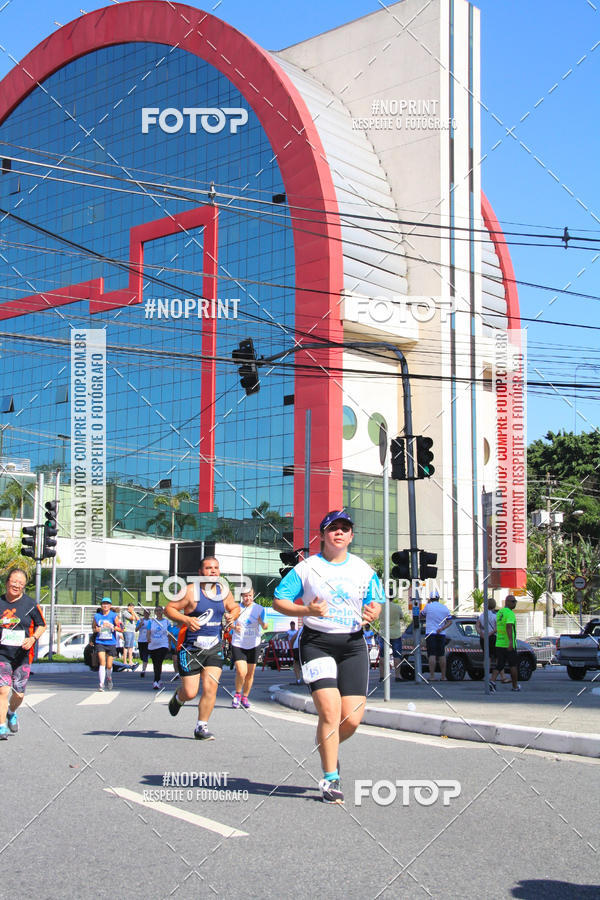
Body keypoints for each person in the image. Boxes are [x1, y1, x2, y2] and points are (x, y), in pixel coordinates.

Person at [273, 510, 383, 804]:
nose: (339, 532)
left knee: (352, 718)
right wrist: (307, 610)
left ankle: (328, 747)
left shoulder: (364, 569)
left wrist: (373, 613)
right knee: (330, 713)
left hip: (353, 645)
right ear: (322, 535)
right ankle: (330, 777)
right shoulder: (307, 568)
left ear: (351, 536)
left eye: (345, 528)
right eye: (333, 528)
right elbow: (279, 600)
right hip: (317, 643)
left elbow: (375, 604)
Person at [165, 556, 240, 740]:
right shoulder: (191, 592)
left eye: (216, 568)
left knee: (210, 687)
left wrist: (232, 615)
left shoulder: (224, 592)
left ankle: (201, 727)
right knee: (190, 692)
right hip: (191, 649)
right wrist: (186, 619)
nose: (213, 571)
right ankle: (179, 697)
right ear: (200, 573)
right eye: (208, 568)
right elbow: (169, 609)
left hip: (214, 648)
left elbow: (235, 607)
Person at [0, 568, 46, 739]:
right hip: (2, 654)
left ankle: (11, 712)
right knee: (3, 690)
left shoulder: (30, 604)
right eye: (14, 581)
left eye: (21, 583)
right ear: (7, 582)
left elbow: (42, 625)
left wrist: (33, 638)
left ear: (24, 586)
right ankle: (1, 726)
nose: (16, 585)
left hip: (22, 654)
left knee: (18, 693)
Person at [230, 584, 268, 709]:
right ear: (241, 596)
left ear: (253, 596)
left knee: (250, 674)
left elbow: (266, 626)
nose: (248, 598)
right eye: (245, 596)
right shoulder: (236, 608)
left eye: (250, 596)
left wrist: (261, 622)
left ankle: (245, 697)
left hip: (254, 644)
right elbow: (229, 623)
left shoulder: (259, 609)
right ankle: (237, 694)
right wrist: (235, 627)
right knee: (241, 672)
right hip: (238, 643)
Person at [475, 598, 508, 684]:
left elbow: (477, 626)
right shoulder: (495, 615)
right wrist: (490, 633)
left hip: (483, 638)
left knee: (487, 657)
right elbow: (497, 628)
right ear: (494, 605)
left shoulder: (482, 615)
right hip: (493, 638)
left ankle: (487, 675)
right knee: (498, 658)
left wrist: (481, 633)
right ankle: (502, 676)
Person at [490, 594, 520, 691]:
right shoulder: (510, 613)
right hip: (508, 644)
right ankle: (515, 686)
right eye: (512, 601)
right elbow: (509, 627)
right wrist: (511, 642)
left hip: (499, 643)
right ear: (506, 602)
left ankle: (492, 681)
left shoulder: (500, 612)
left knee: (500, 664)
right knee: (513, 665)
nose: (514, 603)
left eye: (515, 601)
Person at [92, 597, 123, 691]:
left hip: (111, 642)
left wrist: (112, 626)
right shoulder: (97, 616)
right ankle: (101, 684)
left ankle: (109, 678)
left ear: (110, 606)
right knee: (102, 662)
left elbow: (121, 628)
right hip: (100, 641)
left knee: (109, 665)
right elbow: (94, 628)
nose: (105, 605)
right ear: (101, 605)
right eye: (103, 604)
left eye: (107, 604)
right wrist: (97, 629)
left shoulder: (113, 616)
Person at [424, 591, 453, 682]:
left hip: (430, 633)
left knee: (431, 654)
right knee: (441, 654)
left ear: (430, 598)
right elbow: (450, 621)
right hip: (441, 634)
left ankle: (432, 676)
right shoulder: (444, 608)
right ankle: (443, 676)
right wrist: (442, 628)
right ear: (438, 598)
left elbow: (421, 615)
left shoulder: (428, 606)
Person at [378, 598, 404, 683]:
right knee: (397, 655)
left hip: (383, 634)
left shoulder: (380, 607)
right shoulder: (397, 607)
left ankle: (382, 676)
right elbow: (401, 617)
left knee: (382, 655)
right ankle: (397, 676)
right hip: (395, 634)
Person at [147, 606, 170, 689]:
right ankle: (158, 678)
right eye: (156, 611)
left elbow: (169, 634)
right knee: (155, 663)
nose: (158, 612)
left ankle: (156, 681)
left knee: (159, 661)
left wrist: (169, 644)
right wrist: (148, 638)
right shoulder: (151, 621)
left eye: (160, 610)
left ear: (163, 611)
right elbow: (148, 632)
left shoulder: (167, 622)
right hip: (153, 645)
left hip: (163, 644)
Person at [121, 603, 138, 667]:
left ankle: (130, 660)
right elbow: (132, 618)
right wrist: (132, 612)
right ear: (128, 607)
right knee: (126, 646)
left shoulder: (132, 612)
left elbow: (137, 618)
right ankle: (125, 660)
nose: (132, 608)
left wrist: (133, 612)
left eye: (133, 607)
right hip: (127, 631)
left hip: (132, 631)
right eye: (131, 607)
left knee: (131, 647)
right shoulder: (125, 613)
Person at [136, 608, 151, 677]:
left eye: (148, 613)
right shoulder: (140, 620)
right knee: (142, 655)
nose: (146, 614)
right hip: (140, 640)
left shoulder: (151, 621)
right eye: (145, 613)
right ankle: (144, 663)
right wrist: (140, 625)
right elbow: (136, 630)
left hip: (147, 640)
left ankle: (143, 670)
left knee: (145, 655)